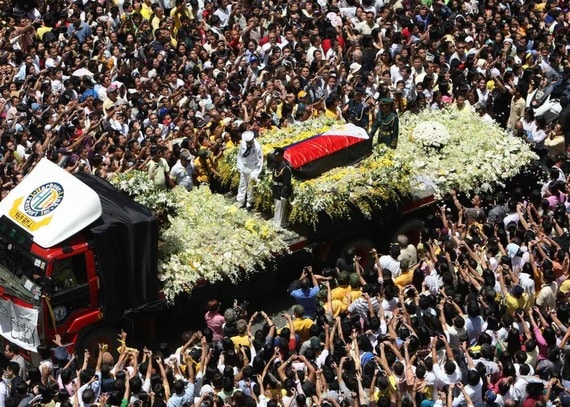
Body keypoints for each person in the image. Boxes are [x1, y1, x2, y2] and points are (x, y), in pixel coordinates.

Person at [235, 131, 263, 210]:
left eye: (250, 142)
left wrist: (256, 173)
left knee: (250, 187)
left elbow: (260, 161)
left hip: (252, 168)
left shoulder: (257, 147)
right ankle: (240, 201)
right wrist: (239, 166)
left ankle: (249, 202)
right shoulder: (243, 144)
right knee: (242, 185)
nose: (249, 143)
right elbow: (240, 155)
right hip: (244, 167)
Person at [271, 147, 292, 230]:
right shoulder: (277, 165)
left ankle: (278, 225)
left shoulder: (285, 168)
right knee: (278, 207)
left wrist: (284, 194)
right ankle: (282, 223)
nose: (275, 158)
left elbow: (286, 183)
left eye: (277, 156)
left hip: (281, 190)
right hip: (276, 188)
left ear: (281, 156)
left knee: (280, 209)